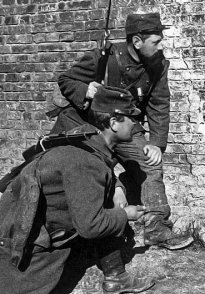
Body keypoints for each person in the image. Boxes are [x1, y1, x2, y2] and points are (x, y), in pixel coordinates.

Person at [0, 86, 156, 294]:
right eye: (131, 119)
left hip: (23, 221)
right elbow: (91, 225)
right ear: (113, 123)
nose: (135, 124)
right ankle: (115, 278)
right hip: (24, 240)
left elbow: (97, 174)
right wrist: (127, 214)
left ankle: (115, 277)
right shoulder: (85, 161)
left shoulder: (85, 136)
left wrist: (118, 189)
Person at [50, 12, 193, 250]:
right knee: (82, 167)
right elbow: (66, 80)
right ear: (137, 42)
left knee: (149, 162)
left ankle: (156, 227)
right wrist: (87, 90)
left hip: (125, 126)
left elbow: (159, 104)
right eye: (156, 42)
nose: (160, 47)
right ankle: (77, 228)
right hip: (90, 123)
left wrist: (156, 143)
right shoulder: (104, 58)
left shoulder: (158, 66)